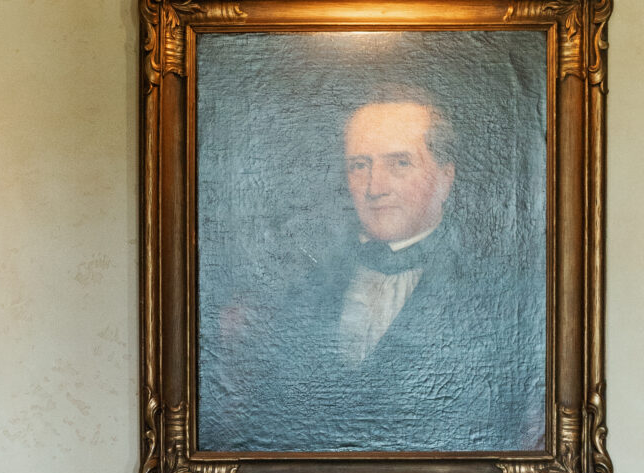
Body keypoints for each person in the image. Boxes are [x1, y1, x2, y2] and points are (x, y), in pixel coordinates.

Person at [205, 87, 542, 452]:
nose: (375, 187)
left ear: (445, 178)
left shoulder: (507, 300)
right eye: (360, 165)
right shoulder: (303, 292)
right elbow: (263, 430)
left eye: (399, 163)